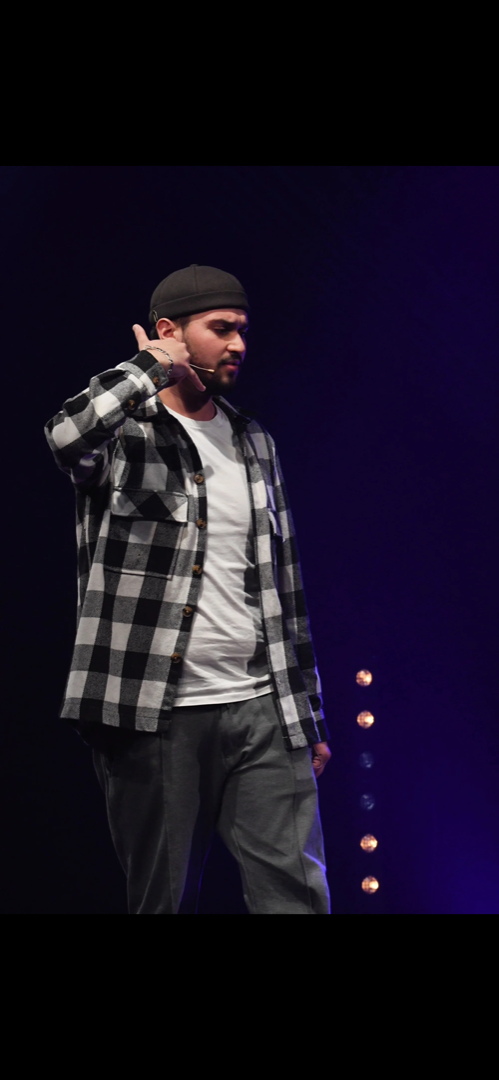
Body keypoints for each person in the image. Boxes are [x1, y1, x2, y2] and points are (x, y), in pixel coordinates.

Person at [45, 264, 331, 914]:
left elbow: (284, 588)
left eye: (243, 330)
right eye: (221, 328)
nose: (238, 344)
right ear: (171, 330)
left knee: (297, 897)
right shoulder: (125, 433)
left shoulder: (254, 440)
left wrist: (306, 712)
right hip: (154, 713)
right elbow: (64, 436)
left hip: (262, 708)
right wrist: (149, 366)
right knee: (163, 900)